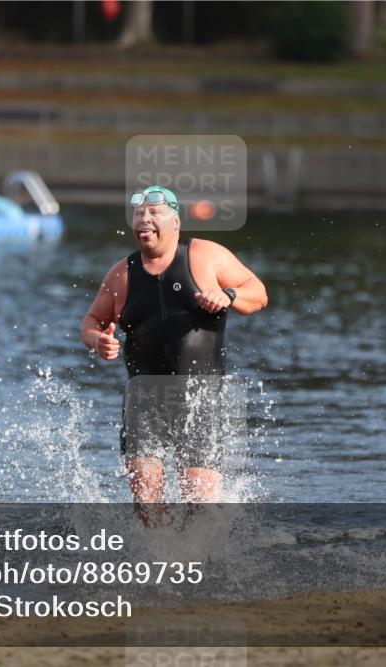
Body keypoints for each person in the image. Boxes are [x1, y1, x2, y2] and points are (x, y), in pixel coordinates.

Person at [81, 185, 268, 506]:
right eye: (139, 214)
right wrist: (98, 340)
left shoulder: (205, 255)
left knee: (200, 506)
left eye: (154, 214)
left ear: (176, 223)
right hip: (144, 400)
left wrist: (229, 296)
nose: (144, 220)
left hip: (201, 399)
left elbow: (259, 292)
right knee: (147, 505)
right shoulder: (121, 275)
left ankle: (204, 556)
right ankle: (158, 556)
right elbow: (91, 322)